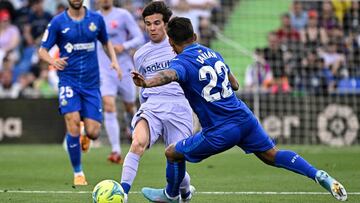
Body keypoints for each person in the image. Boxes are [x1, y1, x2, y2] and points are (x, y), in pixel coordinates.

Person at [132, 17, 348, 202]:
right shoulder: (212, 53)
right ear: (195, 36)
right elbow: (235, 85)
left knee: (172, 153)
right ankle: (318, 174)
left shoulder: (181, 62)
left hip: (220, 130)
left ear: (171, 42)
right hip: (245, 118)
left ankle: (170, 196)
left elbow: (168, 75)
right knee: (272, 155)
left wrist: (147, 83)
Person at [38, 0, 122, 186]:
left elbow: (106, 42)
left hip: (91, 84)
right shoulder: (58, 22)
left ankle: (86, 134)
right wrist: (52, 60)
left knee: (93, 132)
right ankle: (78, 172)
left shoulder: (96, 19)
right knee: (72, 122)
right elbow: (42, 50)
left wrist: (114, 61)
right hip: (68, 81)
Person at [119, 2, 194, 202]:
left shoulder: (180, 47)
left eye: (157, 23)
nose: (152, 28)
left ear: (166, 23)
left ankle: (185, 190)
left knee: (176, 157)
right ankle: (122, 194)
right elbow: (142, 86)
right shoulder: (140, 54)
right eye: (148, 24)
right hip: (152, 105)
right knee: (137, 143)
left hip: (179, 106)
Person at [97, 0, 145, 164]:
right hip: (104, 69)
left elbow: (139, 37)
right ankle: (116, 150)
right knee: (108, 105)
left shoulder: (123, 15)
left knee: (130, 106)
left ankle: (131, 128)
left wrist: (123, 46)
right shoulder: (93, 18)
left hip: (124, 68)